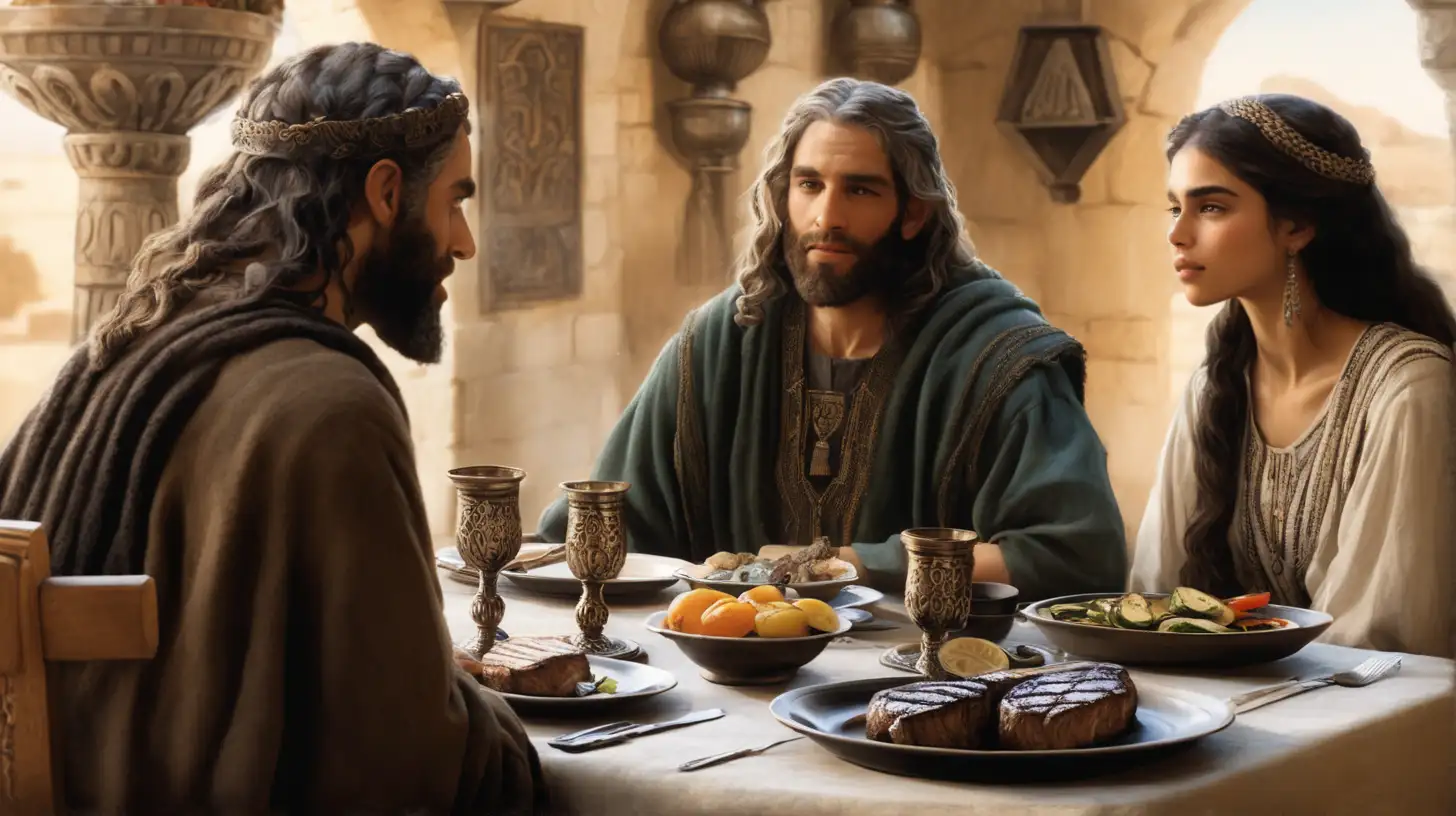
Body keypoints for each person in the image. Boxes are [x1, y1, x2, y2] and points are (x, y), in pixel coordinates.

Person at [0, 43, 547, 812]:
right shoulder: (330, 407)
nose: (463, 241)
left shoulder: (109, 357)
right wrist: (497, 723)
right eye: (455, 200)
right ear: (386, 192)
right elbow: (412, 763)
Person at [537, 78, 1127, 600]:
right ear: (782, 196)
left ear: (914, 212)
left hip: (930, 688)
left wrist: (851, 565)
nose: (827, 216)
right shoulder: (719, 346)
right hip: (731, 682)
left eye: (861, 190)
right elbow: (608, 523)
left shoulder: (997, 360)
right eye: (809, 184)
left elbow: (1077, 558)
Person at [1131, 94, 1456, 657]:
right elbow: (1154, 600)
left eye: (1211, 207)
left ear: (1297, 226)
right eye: (1174, 207)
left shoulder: (1407, 388)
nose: (1178, 234)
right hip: (1232, 712)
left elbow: (1379, 647)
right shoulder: (1215, 386)